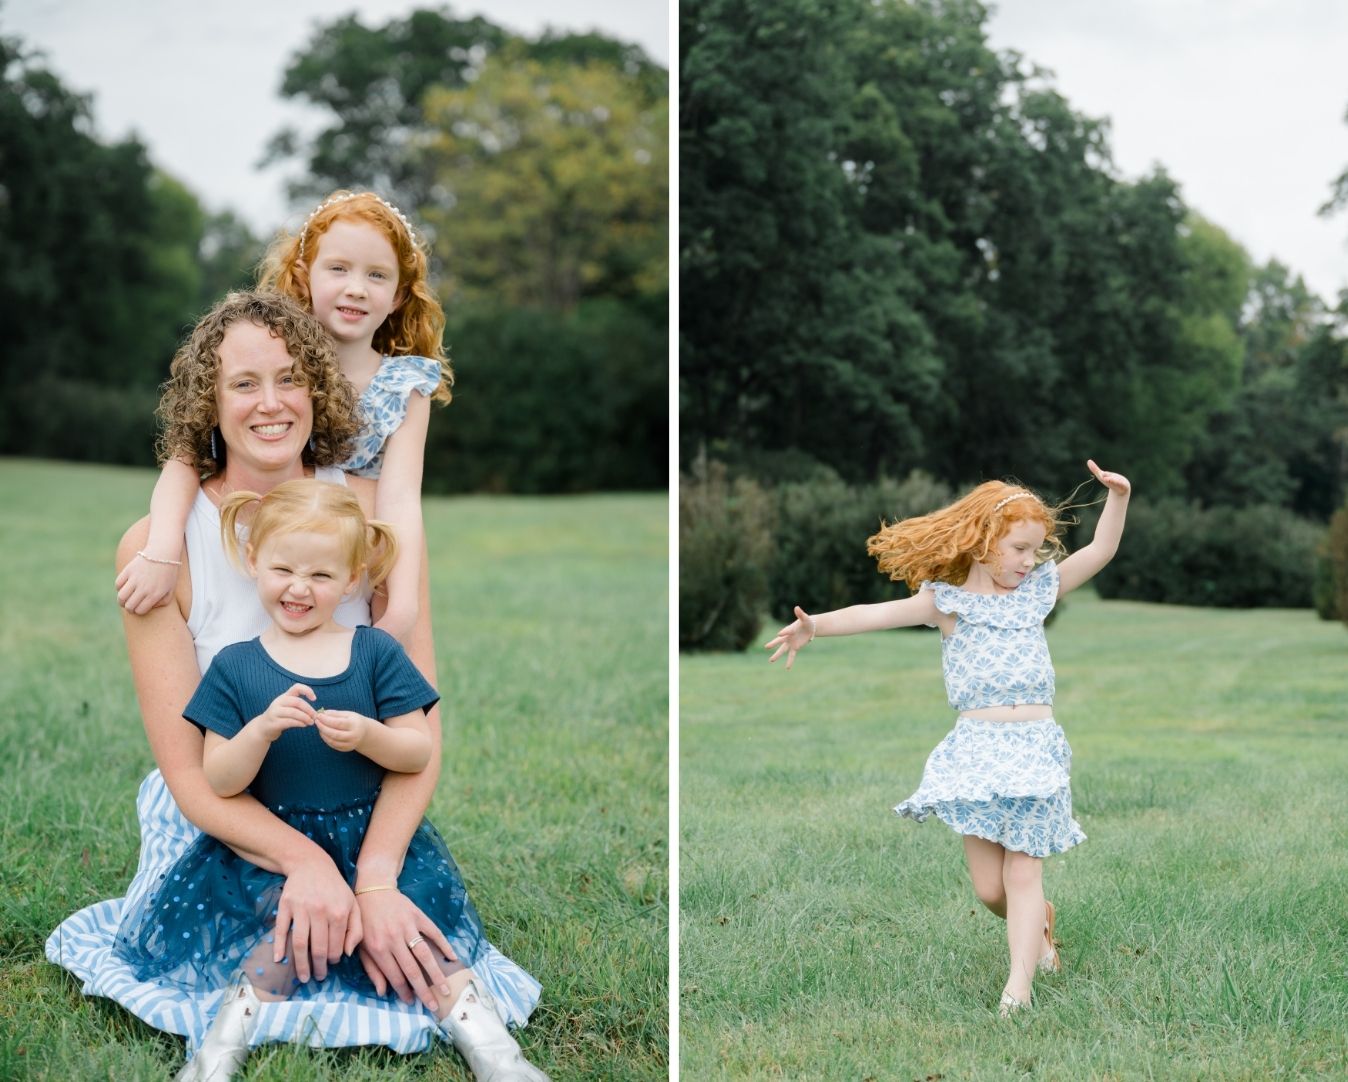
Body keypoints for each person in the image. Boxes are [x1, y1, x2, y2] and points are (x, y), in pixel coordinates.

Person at [47, 292, 545, 1079]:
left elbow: (419, 736)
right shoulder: (161, 547)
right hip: (233, 807)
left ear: (317, 388)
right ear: (209, 402)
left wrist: (374, 873)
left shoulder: (371, 523)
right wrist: (306, 864)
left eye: (289, 379)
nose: (272, 404)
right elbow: (190, 773)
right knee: (274, 928)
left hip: (356, 800)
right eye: (244, 384)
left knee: (394, 926)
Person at [764, 460, 1131, 1017]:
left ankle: (1018, 988)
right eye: (1019, 550)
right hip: (976, 752)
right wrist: (817, 624)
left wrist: (1119, 499)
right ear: (984, 543)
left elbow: (1099, 552)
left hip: (1033, 748)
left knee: (1023, 870)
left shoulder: (1036, 593)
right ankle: (1041, 927)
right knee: (990, 890)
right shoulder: (947, 603)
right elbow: (875, 613)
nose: (1030, 561)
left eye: (1035, 550)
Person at [116, 190, 450, 647]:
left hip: (349, 548)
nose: (356, 287)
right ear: (303, 274)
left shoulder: (404, 386)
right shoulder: (269, 343)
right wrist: (163, 547)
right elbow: (186, 454)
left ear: (397, 296)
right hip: (268, 523)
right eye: (338, 268)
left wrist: (402, 605)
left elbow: (401, 501)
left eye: (376, 275)